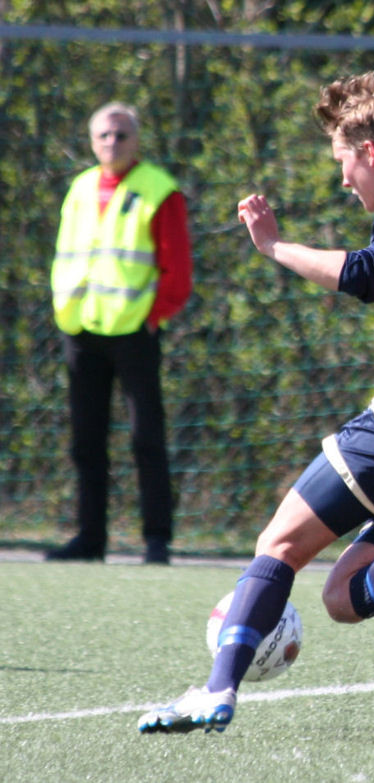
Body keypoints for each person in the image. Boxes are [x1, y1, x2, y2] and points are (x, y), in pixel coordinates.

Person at [137, 72, 374, 733]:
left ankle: (216, 691)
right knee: (343, 596)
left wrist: (275, 246)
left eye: (343, 159)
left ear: (369, 150)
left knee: (279, 542)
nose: (344, 180)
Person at [47, 102, 193, 565]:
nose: (112, 143)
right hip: (81, 327)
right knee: (85, 441)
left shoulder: (158, 191)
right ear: (91, 142)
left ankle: (156, 539)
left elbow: (178, 271)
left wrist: (153, 316)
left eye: (121, 135)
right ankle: (90, 539)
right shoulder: (79, 188)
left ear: (137, 140)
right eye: (104, 136)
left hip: (134, 331)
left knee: (145, 437)